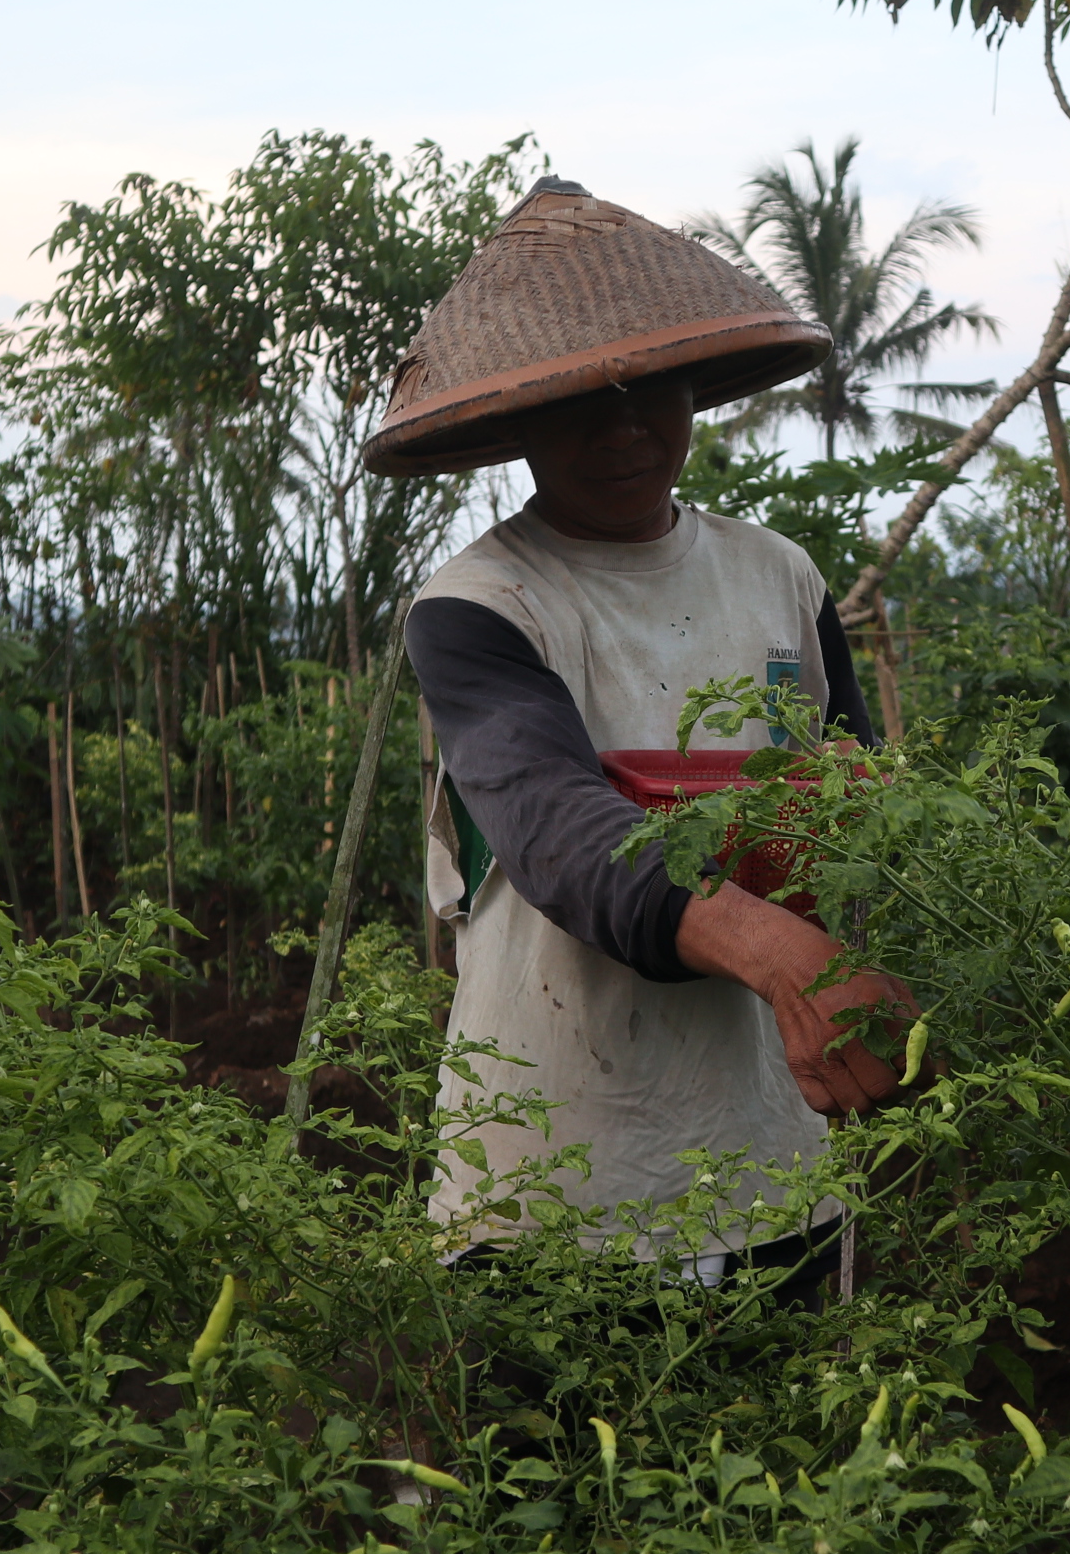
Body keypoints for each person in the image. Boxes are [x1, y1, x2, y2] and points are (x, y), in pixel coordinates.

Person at [368, 177, 918, 1280]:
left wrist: (866, 967)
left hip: (777, 1167)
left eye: (651, 389)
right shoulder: (483, 606)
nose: (624, 425)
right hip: (556, 1188)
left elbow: (863, 804)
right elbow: (566, 839)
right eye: (580, 400)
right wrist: (778, 954)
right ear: (514, 416)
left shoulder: (781, 579)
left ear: (695, 393)